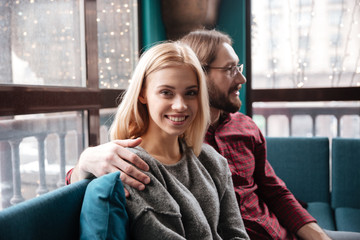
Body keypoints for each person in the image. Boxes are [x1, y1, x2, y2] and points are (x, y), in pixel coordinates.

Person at [67, 29, 360, 240]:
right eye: (231, 69)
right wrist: (82, 163)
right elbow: (97, 177)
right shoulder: (140, 159)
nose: (242, 79)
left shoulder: (235, 135)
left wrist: (316, 234)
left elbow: (273, 189)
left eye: (190, 93)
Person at [97, 41, 249, 239]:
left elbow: (237, 234)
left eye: (190, 93)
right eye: (166, 92)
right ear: (143, 94)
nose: (180, 105)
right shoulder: (131, 166)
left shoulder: (212, 160)